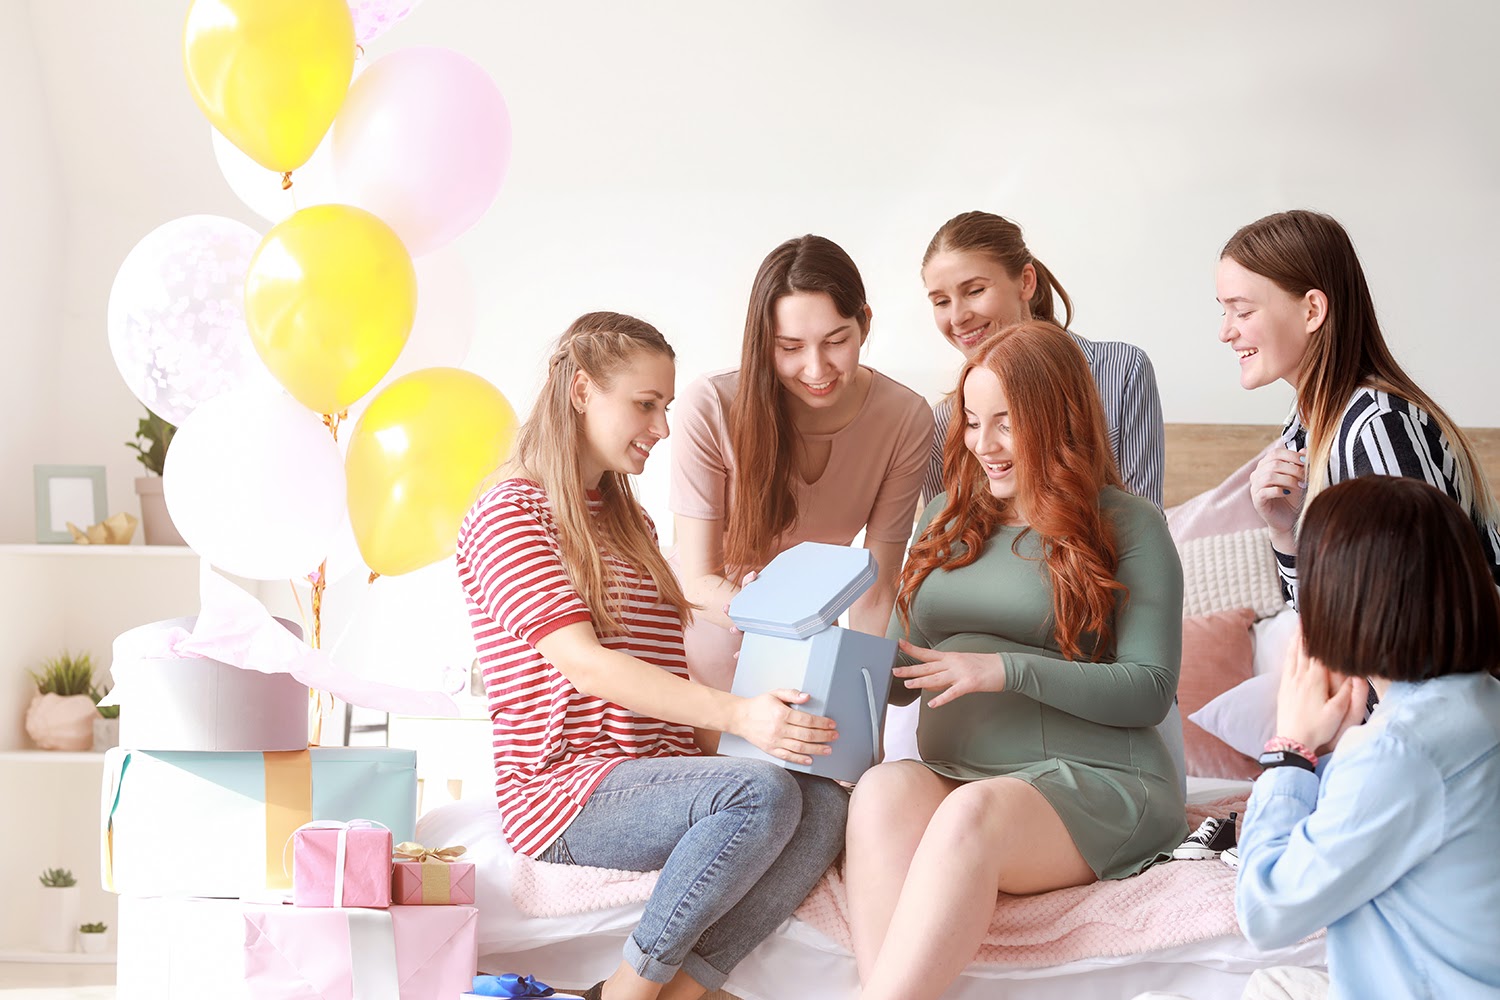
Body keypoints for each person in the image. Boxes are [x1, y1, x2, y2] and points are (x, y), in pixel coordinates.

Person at [455, 312, 848, 1000]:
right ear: (581, 391)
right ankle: (629, 993)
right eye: (645, 404)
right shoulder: (509, 513)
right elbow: (588, 665)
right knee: (757, 793)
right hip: (563, 790)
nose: (662, 427)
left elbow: (666, 672)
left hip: (654, 771)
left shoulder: (626, 518)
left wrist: (754, 740)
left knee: (821, 803)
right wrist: (741, 719)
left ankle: (686, 993)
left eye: (664, 407)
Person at [845, 321, 1186, 1000]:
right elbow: (902, 678)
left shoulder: (1129, 525)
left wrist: (1002, 668)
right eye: (972, 422)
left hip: (1094, 779)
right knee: (882, 791)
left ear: (1057, 418)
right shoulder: (942, 516)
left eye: (1005, 422)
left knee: (970, 817)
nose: (984, 445)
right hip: (958, 770)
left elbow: (1149, 690)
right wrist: (830, 660)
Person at [1234, 475, 1500, 998]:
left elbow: (1265, 914)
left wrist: (1290, 751)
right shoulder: (1481, 703)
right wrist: (1327, 755)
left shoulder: (1396, 752)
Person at [670, 235, 932, 704]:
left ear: (865, 324)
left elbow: (875, 588)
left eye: (836, 341)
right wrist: (772, 620)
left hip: (808, 642)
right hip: (705, 636)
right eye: (789, 347)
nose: (816, 368)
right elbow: (697, 580)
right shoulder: (711, 406)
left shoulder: (904, 417)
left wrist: (865, 699)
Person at [1216, 209, 1500, 607]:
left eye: (1243, 311)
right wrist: (1285, 532)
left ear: (1312, 310)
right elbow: (1330, 629)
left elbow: (1417, 622)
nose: (1225, 331)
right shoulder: (1304, 428)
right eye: (1224, 310)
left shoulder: (1378, 427)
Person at [919, 210, 1165, 506]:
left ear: (1025, 281)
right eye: (942, 301)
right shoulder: (942, 425)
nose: (958, 317)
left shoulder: (1119, 371)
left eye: (975, 291)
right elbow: (945, 539)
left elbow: (1145, 522)